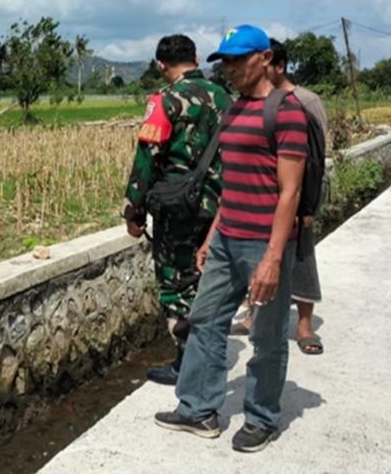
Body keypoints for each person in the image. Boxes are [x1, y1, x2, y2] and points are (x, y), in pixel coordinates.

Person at [154, 25, 308, 452]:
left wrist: (274, 257)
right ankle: (198, 409)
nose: (231, 69)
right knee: (204, 320)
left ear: (263, 58)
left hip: (264, 242)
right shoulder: (235, 108)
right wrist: (213, 233)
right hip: (226, 237)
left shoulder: (288, 110)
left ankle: (262, 417)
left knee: (267, 335)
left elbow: (290, 191)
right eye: (225, 62)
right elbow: (233, 181)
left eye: (239, 60)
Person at [123, 34, 231, 385]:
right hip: (218, 208)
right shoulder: (225, 97)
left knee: (174, 283)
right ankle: (209, 350)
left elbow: (147, 158)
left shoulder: (164, 100)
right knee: (206, 279)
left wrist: (133, 211)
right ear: (197, 58)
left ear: (160, 65)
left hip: (177, 210)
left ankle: (187, 362)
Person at [232, 39, 328, 354]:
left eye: (264, 65)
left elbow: (315, 157)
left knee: (302, 260)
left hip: (298, 198)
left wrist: (309, 204)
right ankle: (252, 315)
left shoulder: (305, 101)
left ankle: (304, 324)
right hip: (261, 201)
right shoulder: (251, 102)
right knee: (258, 261)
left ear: (277, 65)